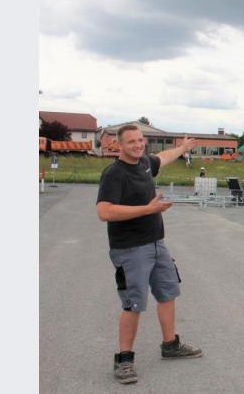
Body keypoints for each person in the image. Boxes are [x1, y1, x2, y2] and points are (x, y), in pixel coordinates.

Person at [96, 125, 203, 384]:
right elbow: (104, 212)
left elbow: (163, 157)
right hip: (130, 248)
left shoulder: (144, 163)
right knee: (133, 303)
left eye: (140, 140)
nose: (137, 145)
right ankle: (124, 360)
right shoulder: (114, 174)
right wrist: (148, 209)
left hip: (156, 243)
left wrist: (182, 148)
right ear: (119, 145)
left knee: (167, 292)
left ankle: (170, 345)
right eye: (131, 142)